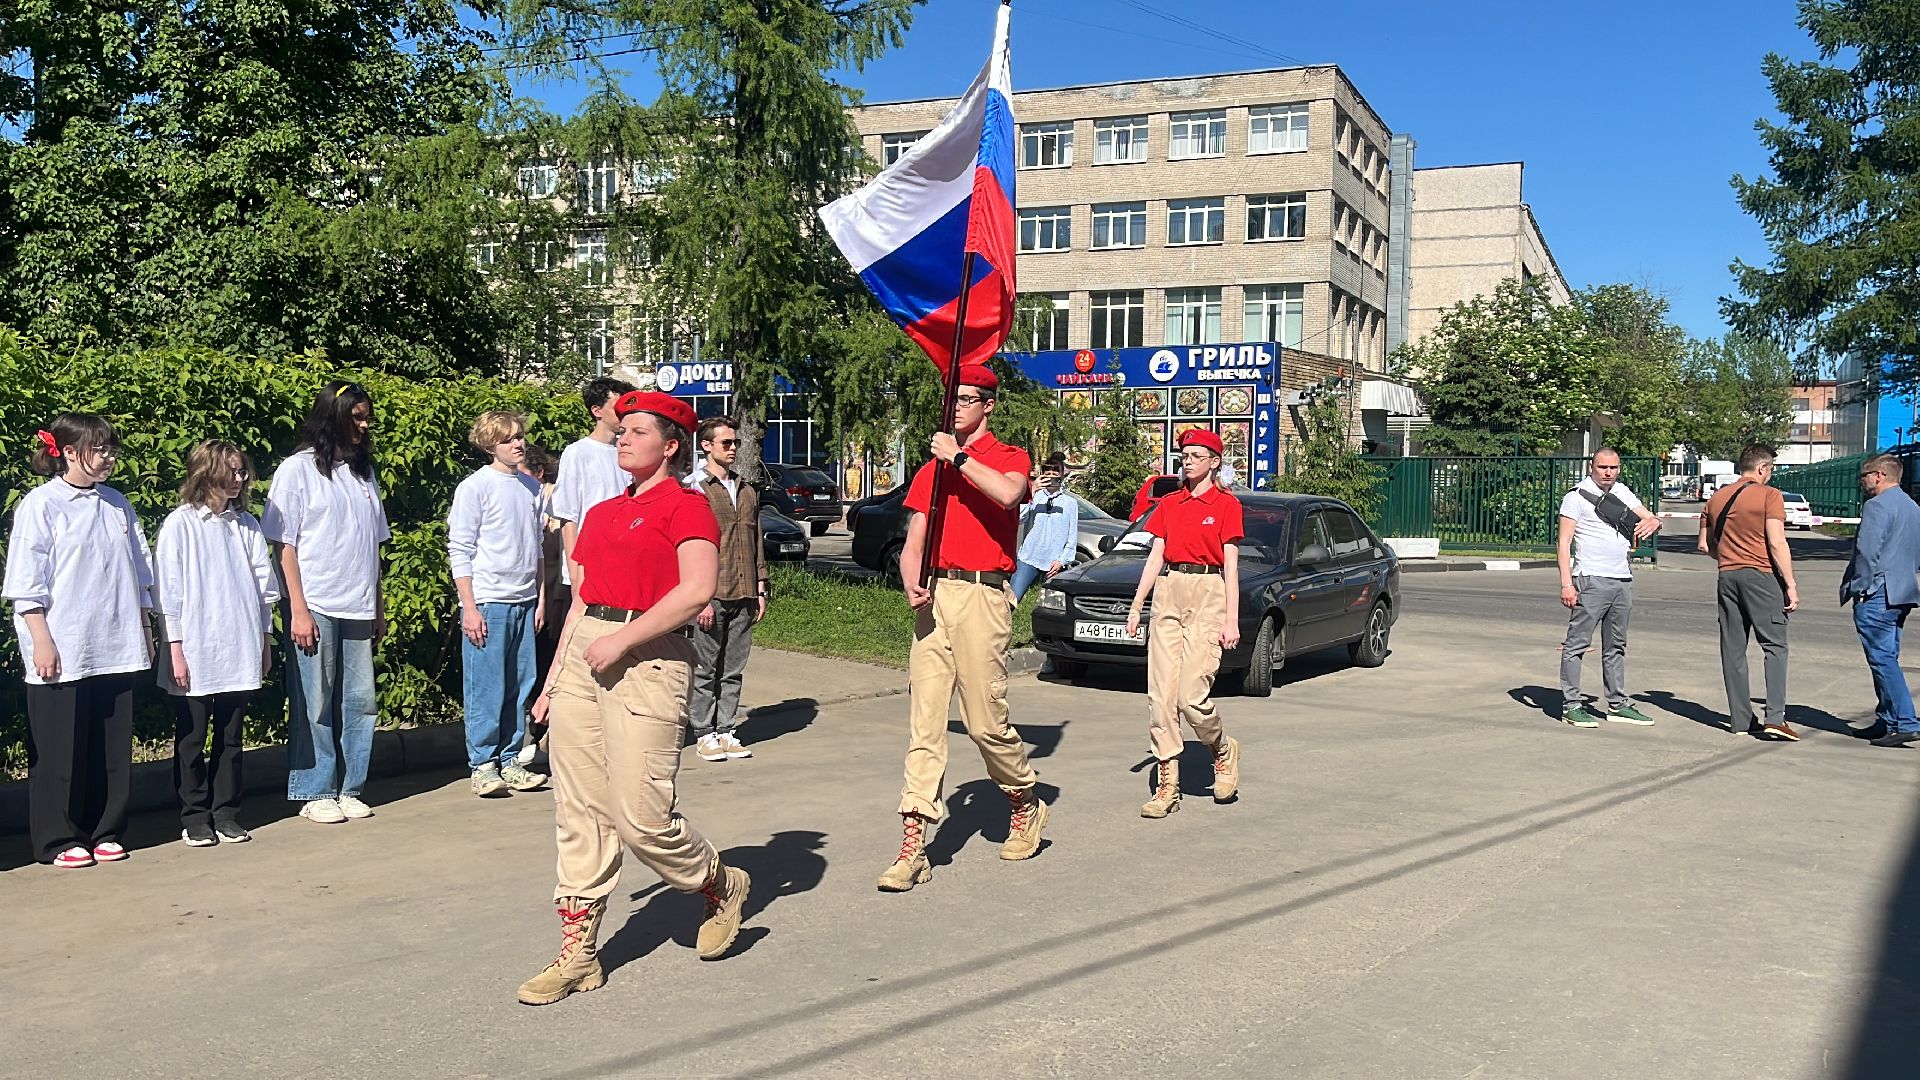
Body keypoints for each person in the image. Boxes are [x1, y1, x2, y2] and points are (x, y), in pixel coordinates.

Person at [517, 390, 751, 1006]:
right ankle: (579, 954)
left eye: (637, 431)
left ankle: (719, 883)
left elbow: (698, 590)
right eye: (621, 429)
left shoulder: (687, 506)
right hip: (588, 653)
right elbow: (583, 602)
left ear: (670, 446)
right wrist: (552, 681)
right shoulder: (600, 514)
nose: (622, 438)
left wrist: (624, 640)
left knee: (642, 815)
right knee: (580, 810)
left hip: (650, 655)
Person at [878, 364, 1048, 894]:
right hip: (936, 597)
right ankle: (913, 844)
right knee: (925, 724)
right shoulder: (933, 469)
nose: (955, 407)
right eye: (951, 398)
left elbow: (1006, 495)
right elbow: (914, 541)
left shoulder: (1006, 456)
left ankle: (1023, 797)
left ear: (988, 405)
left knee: (984, 723)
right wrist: (911, 581)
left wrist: (960, 457)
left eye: (966, 399)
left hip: (983, 595)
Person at [3, 414, 154, 867]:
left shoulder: (117, 504)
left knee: (108, 747)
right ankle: (57, 838)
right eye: (99, 448)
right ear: (68, 452)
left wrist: (146, 631)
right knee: (59, 750)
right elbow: (26, 582)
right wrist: (42, 640)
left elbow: (141, 574)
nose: (108, 457)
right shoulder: (41, 504)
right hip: (62, 643)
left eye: (111, 448)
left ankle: (105, 829)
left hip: (115, 641)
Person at [263, 380, 390, 824]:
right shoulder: (296, 471)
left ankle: (350, 786)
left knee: (360, 701)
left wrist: (377, 604)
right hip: (315, 600)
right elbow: (284, 544)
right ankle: (316, 789)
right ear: (331, 417)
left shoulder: (363, 472)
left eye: (366, 416)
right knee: (315, 699)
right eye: (356, 416)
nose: (364, 424)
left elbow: (374, 543)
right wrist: (297, 607)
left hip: (358, 602)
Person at [155, 440, 280, 846]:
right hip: (194, 645)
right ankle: (194, 815)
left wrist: (264, 640)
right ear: (207, 472)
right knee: (192, 736)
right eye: (232, 471)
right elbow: (167, 594)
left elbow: (264, 589)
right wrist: (175, 648)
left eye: (243, 472)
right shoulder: (180, 524)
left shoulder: (247, 525)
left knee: (231, 735)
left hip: (238, 641)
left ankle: (226, 811)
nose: (239, 479)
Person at [1123, 429, 1244, 817]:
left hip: (1209, 591)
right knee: (1161, 696)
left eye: (1196, 455)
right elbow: (1156, 555)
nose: (1187, 461)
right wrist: (1137, 603)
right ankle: (1167, 786)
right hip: (1169, 591)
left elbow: (1231, 567)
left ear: (1214, 461)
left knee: (1191, 696)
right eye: (1184, 455)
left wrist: (1231, 620)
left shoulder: (1226, 505)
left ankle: (1221, 749)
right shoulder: (1170, 503)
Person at [449, 410, 550, 796]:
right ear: (490, 444)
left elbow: (538, 549)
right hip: (489, 601)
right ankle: (482, 764)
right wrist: (469, 607)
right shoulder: (475, 488)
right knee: (486, 687)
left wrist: (540, 600)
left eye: (520, 436)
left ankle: (510, 759)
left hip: (525, 600)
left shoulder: (531, 488)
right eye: (509, 438)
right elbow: (460, 548)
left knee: (519, 685)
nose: (518, 443)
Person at [1695, 444, 1800, 741]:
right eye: (1771, 470)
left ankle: (1740, 719)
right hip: (1761, 577)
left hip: (1727, 577)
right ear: (1762, 468)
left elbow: (1704, 545)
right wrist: (1790, 583)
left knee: (1733, 649)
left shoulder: (1716, 498)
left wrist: (1731, 560)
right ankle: (1775, 718)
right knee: (1775, 646)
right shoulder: (1769, 495)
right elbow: (1777, 542)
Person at [1556, 448, 1661, 728]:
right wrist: (1567, 583)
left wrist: (1653, 521)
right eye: (1602, 467)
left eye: (1613, 468)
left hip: (1621, 579)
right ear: (1592, 466)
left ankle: (1617, 704)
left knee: (1616, 645)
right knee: (1577, 644)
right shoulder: (1575, 497)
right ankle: (1572, 705)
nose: (1608, 472)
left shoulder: (1622, 492)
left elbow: (1649, 517)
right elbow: (1564, 542)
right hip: (1590, 579)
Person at [684, 415, 767, 763]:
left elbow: (755, 538)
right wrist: (698, 597)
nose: (733, 448)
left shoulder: (746, 489)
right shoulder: (693, 488)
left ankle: (727, 730)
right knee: (705, 668)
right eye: (726, 443)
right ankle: (703, 731)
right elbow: (689, 545)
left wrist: (761, 586)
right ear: (706, 446)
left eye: (736, 443)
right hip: (711, 594)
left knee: (733, 668)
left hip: (745, 591)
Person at [1840, 453, 1920, 748]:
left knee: (1882, 659)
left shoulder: (1876, 507)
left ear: (1878, 476)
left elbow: (1867, 552)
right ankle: (1887, 720)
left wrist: (1861, 587)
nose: (1862, 482)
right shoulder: (1912, 507)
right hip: (1902, 591)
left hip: (1877, 592)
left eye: (1863, 476)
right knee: (1887, 656)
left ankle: (1905, 721)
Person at [550, 377, 636, 587]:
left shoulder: (626, 450)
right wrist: (573, 574)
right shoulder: (577, 453)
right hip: (588, 567)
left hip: (622, 562)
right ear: (597, 411)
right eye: (617, 407)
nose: (623, 412)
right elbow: (568, 517)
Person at [518, 442, 567, 768]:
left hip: (559, 596)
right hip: (535, 595)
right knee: (531, 667)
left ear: (538, 473)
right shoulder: (526, 502)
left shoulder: (557, 502)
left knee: (553, 664)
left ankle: (545, 736)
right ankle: (535, 734)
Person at [1011, 453, 1078, 602]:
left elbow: (1072, 537)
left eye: (1055, 474)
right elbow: (1019, 518)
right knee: (1011, 600)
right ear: (1042, 475)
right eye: (1048, 474)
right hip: (1029, 557)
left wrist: (1062, 560)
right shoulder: (1036, 496)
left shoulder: (1070, 503)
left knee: (1052, 607)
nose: (1052, 478)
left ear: (1061, 476)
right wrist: (1031, 492)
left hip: (1054, 562)